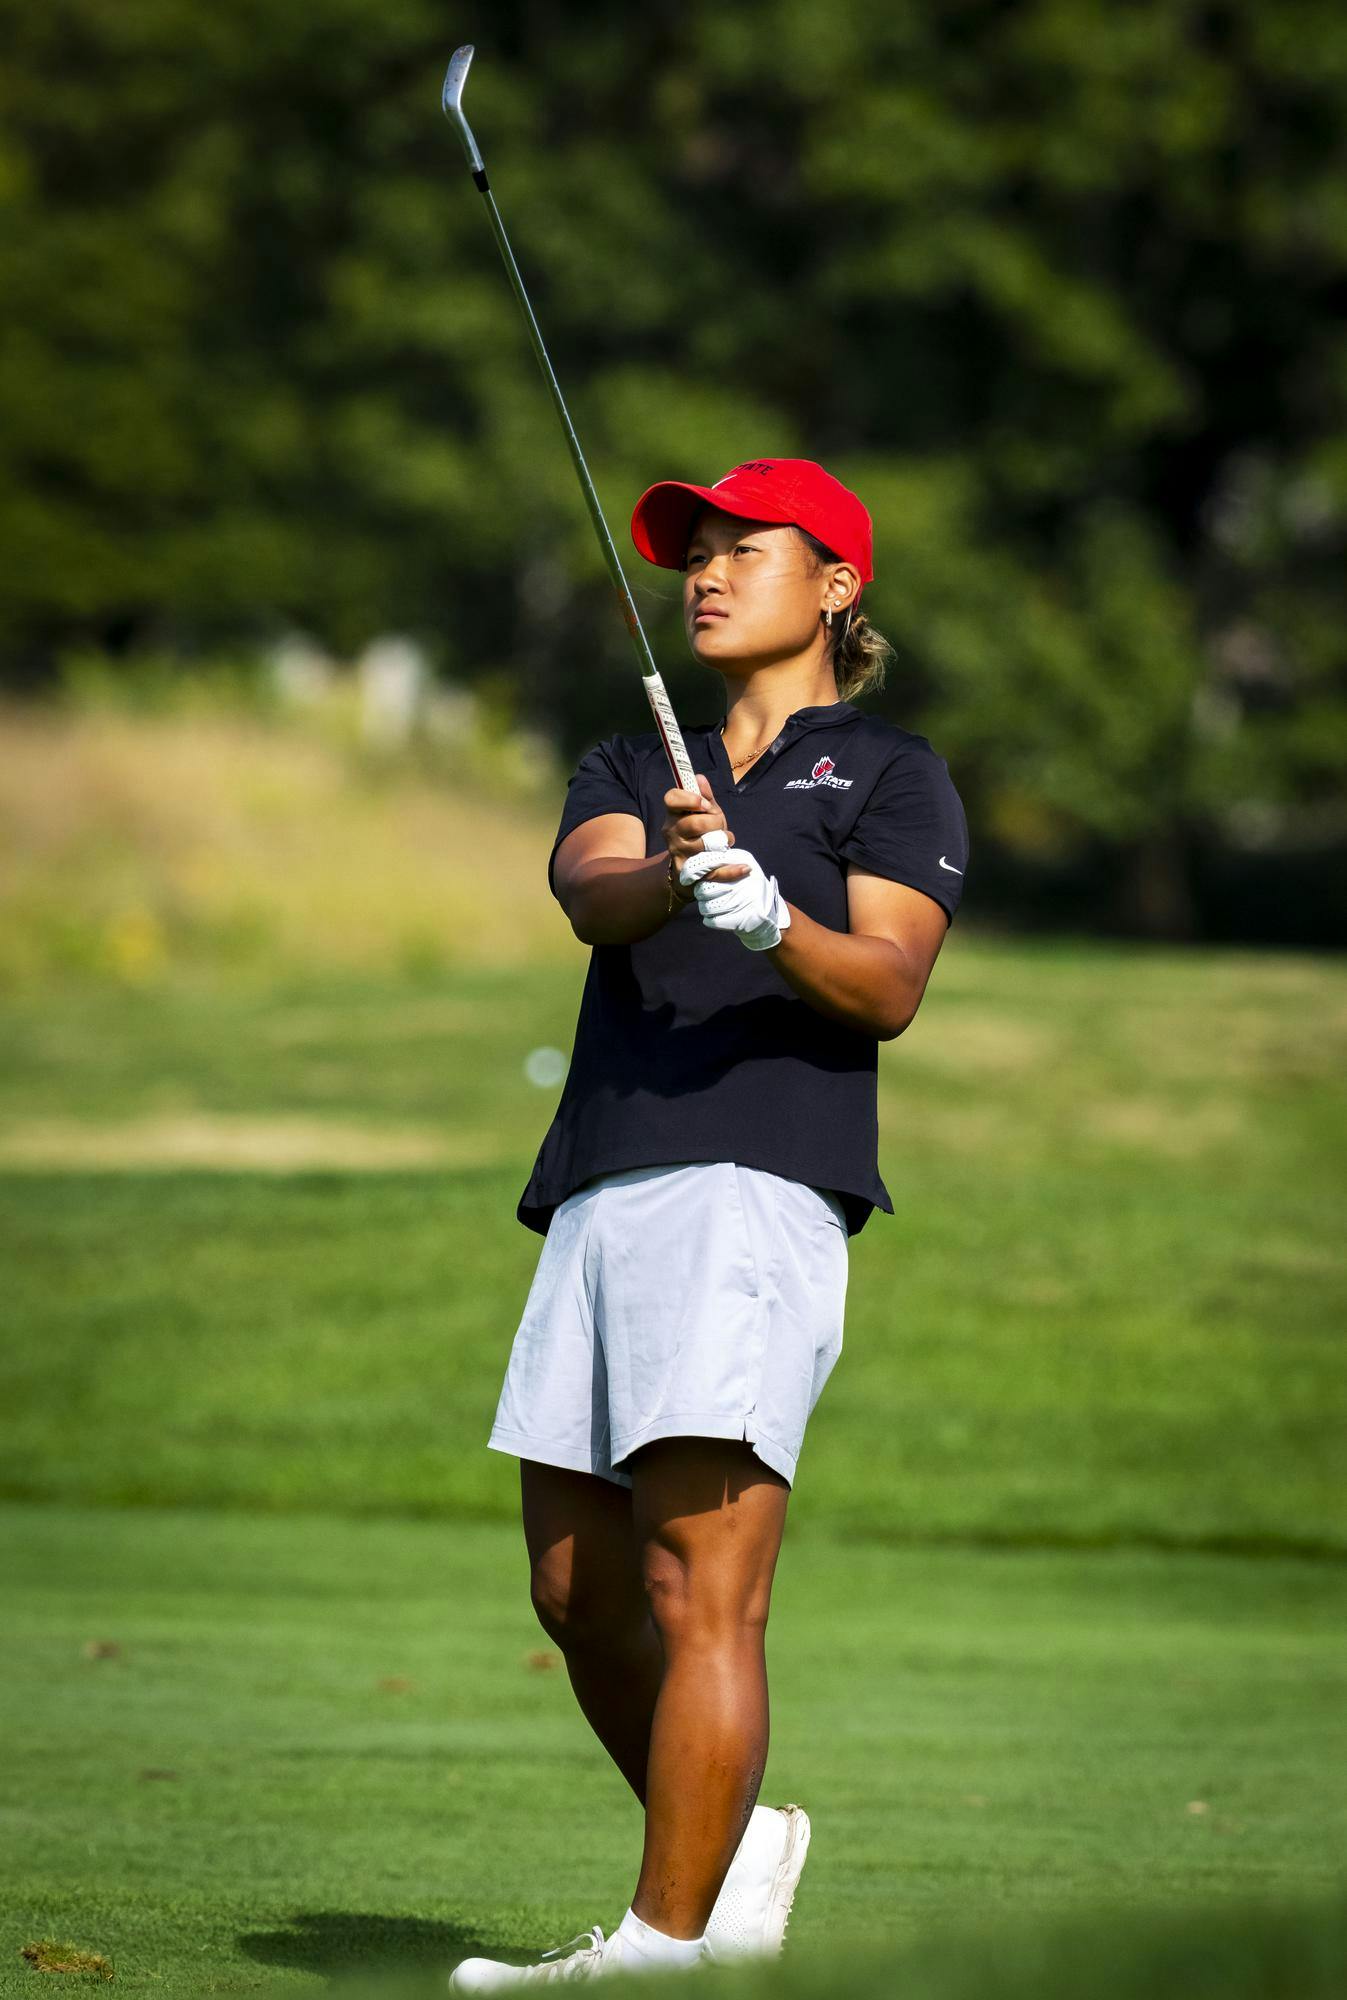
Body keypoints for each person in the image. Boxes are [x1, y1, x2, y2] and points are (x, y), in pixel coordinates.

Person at [451, 458, 968, 1991]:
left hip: (756, 1183)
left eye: (747, 547)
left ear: (836, 587)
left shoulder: (886, 771)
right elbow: (594, 896)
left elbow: (887, 984)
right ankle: (735, 1859)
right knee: (576, 1590)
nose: (708, 570)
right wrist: (688, 871)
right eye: (694, 552)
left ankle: (664, 1948)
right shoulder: (632, 763)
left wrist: (777, 923)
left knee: (699, 1584)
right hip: (605, 1179)